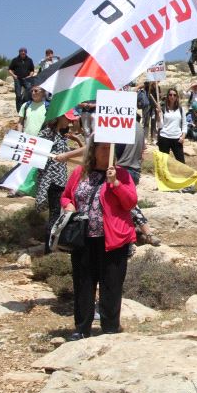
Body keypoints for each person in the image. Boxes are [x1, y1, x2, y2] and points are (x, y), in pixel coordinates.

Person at [61, 136, 137, 341]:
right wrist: (68, 204)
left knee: (111, 284)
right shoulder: (80, 173)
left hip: (113, 240)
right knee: (83, 283)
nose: (105, 152)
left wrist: (116, 184)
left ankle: (110, 327)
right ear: (93, 150)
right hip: (83, 239)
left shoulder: (122, 174)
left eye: (108, 148)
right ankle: (82, 328)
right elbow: (67, 195)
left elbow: (130, 203)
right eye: (101, 148)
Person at [36, 111, 83, 254]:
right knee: (55, 215)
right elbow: (37, 152)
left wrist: (77, 140)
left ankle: (50, 247)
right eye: (68, 119)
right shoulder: (47, 134)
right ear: (60, 117)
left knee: (56, 214)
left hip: (59, 180)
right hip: (51, 180)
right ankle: (49, 250)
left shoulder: (61, 135)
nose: (69, 122)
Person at [115, 111, 161, 247]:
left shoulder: (124, 127)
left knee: (128, 205)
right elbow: (143, 149)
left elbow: (117, 149)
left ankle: (145, 234)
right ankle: (137, 235)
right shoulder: (140, 129)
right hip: (135, 170)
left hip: (123, 169)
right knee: (127, 203)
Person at [155, 88, 186, 163]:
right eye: (170, 95)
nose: (172, 97)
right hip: (164, 137)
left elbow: (184, 124)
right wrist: (158, 114)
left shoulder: (181, 109)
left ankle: (180, 175)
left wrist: (183, 136)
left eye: (174, 95)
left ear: (177, 97)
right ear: (168, 96)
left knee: (181, 162)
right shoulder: (163, 109)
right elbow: (159, 125)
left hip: (177, 138)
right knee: (163, 162)